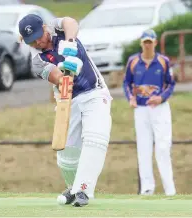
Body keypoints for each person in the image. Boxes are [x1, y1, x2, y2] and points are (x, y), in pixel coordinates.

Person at [18, 14, 113, 206]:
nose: (38, 42)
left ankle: (84, 190)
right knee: (67, 156)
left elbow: (71, 22)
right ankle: (74, 187)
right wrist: (68, 70)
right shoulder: (37, 61)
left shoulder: (57, 28)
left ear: (44, 27)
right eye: (32, 41)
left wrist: (70, 43)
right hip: (68, 100)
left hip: (94, 92)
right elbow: (59, 78)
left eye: (39, 36)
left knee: (95, 138)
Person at [123, 29, 176, 196]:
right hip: (141, 110)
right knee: (143, 148)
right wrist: (130, 98)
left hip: (159, 109)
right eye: (145, 42)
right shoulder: (133, 62)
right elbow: (126, 83)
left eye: (150, 42)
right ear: (141, 43)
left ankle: (170, 190)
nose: (147, 45)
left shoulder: (163, 61)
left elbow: (171, 84)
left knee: (162, 147)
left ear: (155, 43)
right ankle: (147, 188)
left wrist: (161, 98)